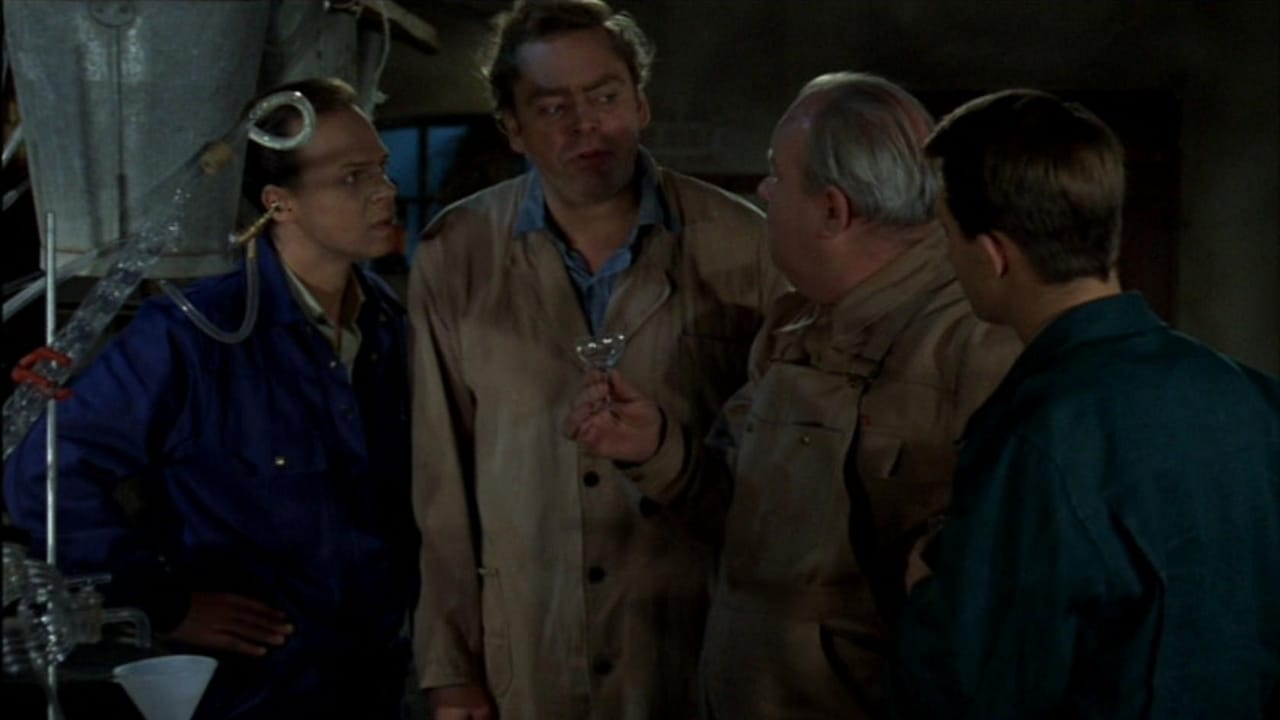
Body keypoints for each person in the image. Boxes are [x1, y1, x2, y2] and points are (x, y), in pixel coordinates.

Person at [565, 72, 1021, 718]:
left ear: (833, 211)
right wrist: (659, 449)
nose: (763, 190)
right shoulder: (794, 326)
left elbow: (997, 613)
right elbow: (738, 511)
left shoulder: (976, 347)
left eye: (777, 174)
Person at [407, 1, 783, 717]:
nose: (586, 125)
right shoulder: (458, 251)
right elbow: (440, 480)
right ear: (513, 129)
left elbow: (781, 471)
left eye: (605, 97)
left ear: (640, 104)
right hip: (533, 646)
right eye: (553, 108)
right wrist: (450, 665)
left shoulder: (744, 244)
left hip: (691, 643)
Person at [3, 77, 420, 718]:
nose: (384, 192)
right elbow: (46, 472)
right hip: (254, 687)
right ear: (280, 203)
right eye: (352, 177)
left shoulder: (387, 322)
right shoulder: (198, 331)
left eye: (382, 169)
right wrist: (163, 603)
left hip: (372, 673)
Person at [892, 89, 1280, 719]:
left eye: (946, 232)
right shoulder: (1253, 397)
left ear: (993, 256)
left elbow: (980, 685)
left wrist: (932, 604)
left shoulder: (1037, 434)